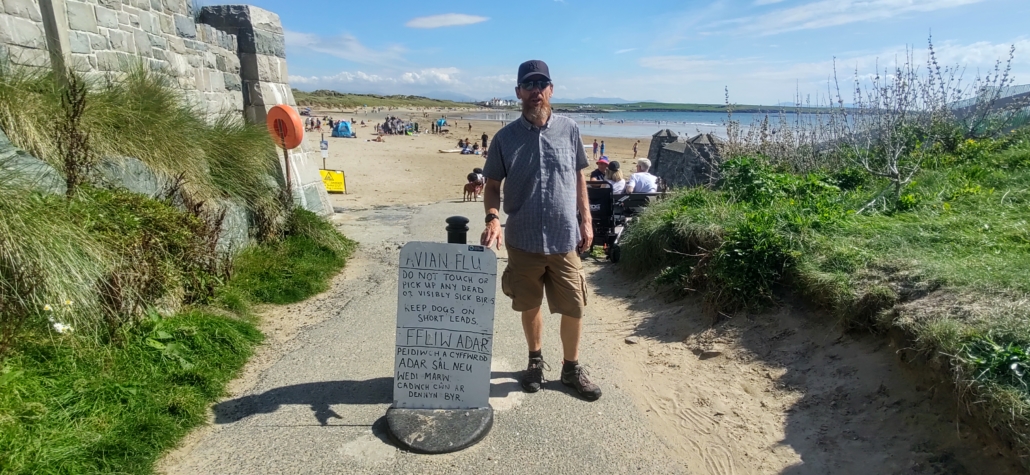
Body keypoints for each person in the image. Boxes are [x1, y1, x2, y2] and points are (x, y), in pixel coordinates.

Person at [481, 59, 601, 401]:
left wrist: (586, 219)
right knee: (529, 304)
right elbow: (491, 185)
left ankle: (571, 367)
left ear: (551, 89)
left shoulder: (570, 129)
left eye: (541, 85)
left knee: (574, 306)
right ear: (518, 92)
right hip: (524, 239)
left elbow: (579, 175)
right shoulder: (505, 138)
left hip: (564, 237)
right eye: (529, 85)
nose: (536, 91)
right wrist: (492, 216)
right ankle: (535, 361)